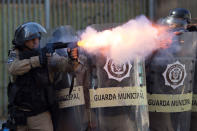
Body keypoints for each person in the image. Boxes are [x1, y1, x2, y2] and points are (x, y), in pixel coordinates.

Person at [7, 22, 78, 131]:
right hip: (19, 115)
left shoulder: (47, 54)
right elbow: (12, 68)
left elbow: (65, 66)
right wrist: (37, 61)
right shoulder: (14, 53)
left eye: (38, 38)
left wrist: (72, 59)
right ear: (23, 41)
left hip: (40, 116)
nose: (36, 41)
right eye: (32, 39)